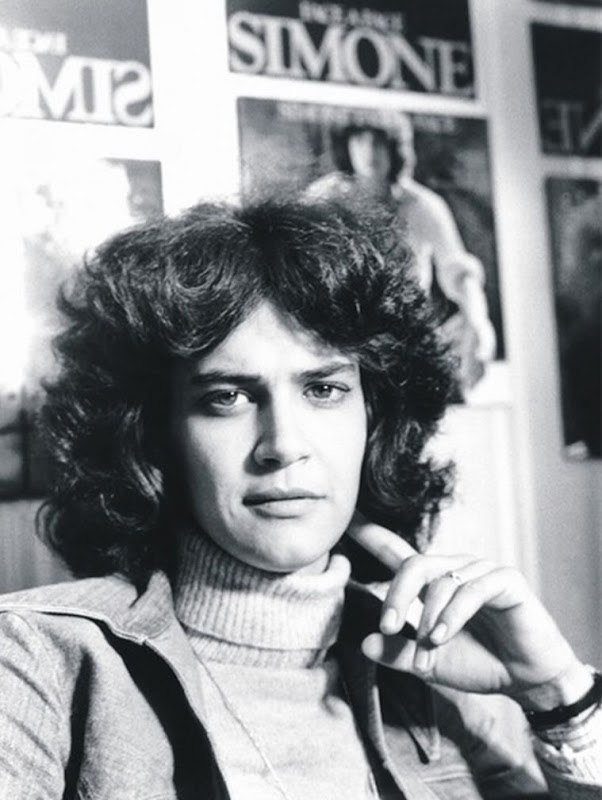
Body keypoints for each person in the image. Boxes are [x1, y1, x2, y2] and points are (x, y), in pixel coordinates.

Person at [0, 198, 599, 799]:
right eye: (227, 397)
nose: (283, 445)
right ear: (158, 433)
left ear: (374, 419)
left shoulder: (431, 672)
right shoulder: (33, 659)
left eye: (324, 389)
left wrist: (557, 695)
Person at [305, 115, 497, 395]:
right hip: (341, 340)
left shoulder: (422, 205)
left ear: (395, 148)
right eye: (360, 140)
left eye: (379, 142)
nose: (369, 151)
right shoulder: (324, 199)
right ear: (346, 145)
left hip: (405, 342)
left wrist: (478, 323)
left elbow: (457, 271)